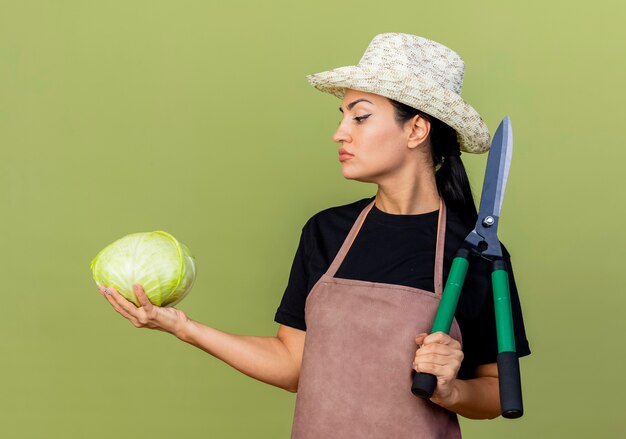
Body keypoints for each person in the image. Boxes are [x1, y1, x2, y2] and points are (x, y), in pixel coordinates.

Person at [98, 33, 530, 438]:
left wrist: (452, 391)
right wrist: (185, 328)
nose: (340, 133)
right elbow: (293, 364)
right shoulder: (326, 232)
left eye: (360, 117)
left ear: (416, 130)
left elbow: (494, 390)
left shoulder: (478, 252)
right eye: (343, 117)